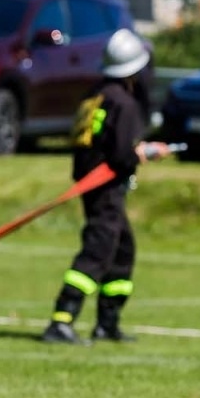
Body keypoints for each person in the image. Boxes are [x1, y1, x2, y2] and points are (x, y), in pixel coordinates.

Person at [41, 27, 170, 345]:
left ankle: (107, 323)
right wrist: (146, 153)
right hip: (106, 188)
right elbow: (123, 153)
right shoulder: (123, 103)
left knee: (122, 249)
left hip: (92, 184)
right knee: (98, 250)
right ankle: (62, 319)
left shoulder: (96, 93)